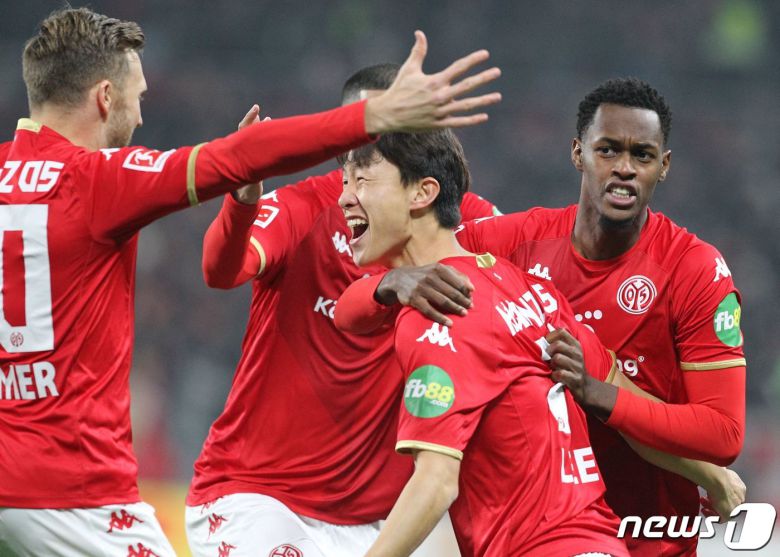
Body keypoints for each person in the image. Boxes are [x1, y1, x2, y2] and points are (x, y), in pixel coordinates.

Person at [0, 7, 501, 556]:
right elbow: (231, 176)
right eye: (137, 97)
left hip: (364, 515)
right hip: (83, 488)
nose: (140, 116)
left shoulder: (465, 221)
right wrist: (374, 117)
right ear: (104, 97)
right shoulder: (98, 179)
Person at [335, 77, 746, 556]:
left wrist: (600, 396)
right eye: (608, 150)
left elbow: (723, 433)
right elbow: (359, 303)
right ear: (578, 152)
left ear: (664, 165)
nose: (624, 168)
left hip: (647, 533)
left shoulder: (692, 268)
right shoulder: (512, 260)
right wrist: (391, 283)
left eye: (642, 155)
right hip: (574, 531)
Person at [185, 63, 499, 557]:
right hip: (259, 499)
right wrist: (243, 197)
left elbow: (536, 271)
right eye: (362, 126)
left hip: (371, 523)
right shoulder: (303, 207)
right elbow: (221, 270)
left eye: (391, 125)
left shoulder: (459, 222)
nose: (371, 141)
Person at [337, 129, 631, 556]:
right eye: (345, 182)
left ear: (422, 193)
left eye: (362, 180)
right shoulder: (532, 290)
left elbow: (436, 482)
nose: (344, 198)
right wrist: (715, 477)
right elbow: (623, 396)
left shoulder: (438, 312)